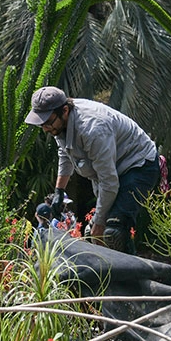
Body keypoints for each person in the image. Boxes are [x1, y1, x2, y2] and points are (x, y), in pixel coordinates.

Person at [25, 86, 160, 253]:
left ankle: (129, 278)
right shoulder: (59, 125)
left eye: (48, 121)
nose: (45, 128)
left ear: (65, 110)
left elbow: (109, 181)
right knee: (101, 233)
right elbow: (65, 154)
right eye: (41, 123)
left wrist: (99, 221)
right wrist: (59, 191)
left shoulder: (92, 129)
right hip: (111, 170)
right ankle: (122, 274)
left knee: (112, 232)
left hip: (138, 165)